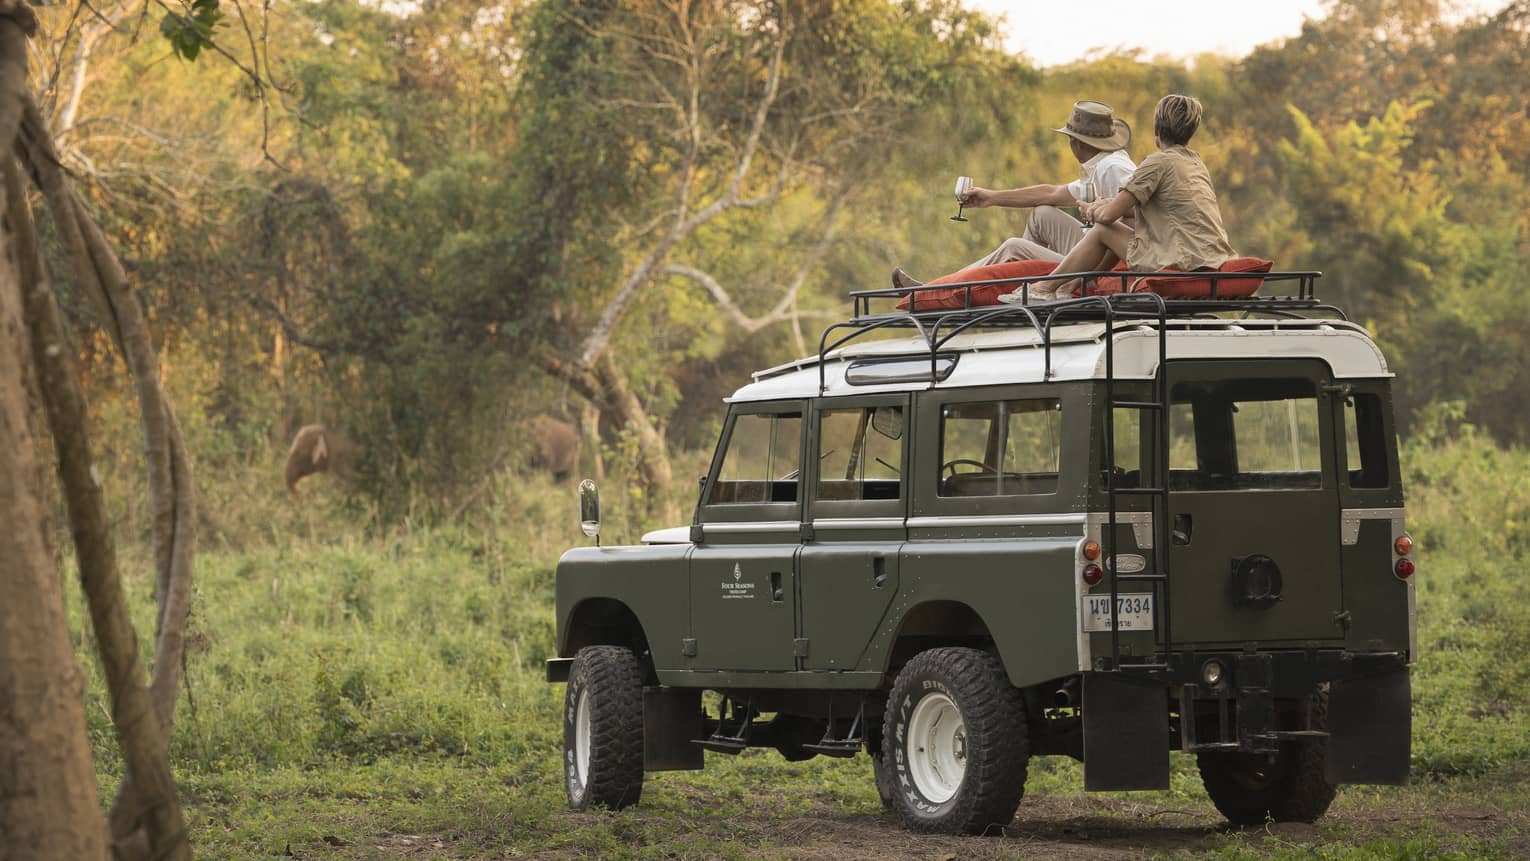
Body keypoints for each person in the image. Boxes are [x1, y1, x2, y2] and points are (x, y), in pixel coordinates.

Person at [1000, 93, 1235, 303]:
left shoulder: (1157, 162)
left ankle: (1044, 287)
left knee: (1103, 229)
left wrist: (1092, 209)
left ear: (1156, 130)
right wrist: (1108, 206)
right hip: (1208, 254)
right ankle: (1068, 284)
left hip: (1180, 259)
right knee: (1109, 226)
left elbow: (1109, 215)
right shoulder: (1195, 163)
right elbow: (1154, 209)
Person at [892, 100, 1135, 289]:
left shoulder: (1112, 168)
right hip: (1097, 250)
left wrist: (1090, 273)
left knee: (1013, 247)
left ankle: (935, 289)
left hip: (1106, 265)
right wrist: (991, 198)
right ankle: (1022, 283)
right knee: (1042, 214)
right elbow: (1050, 193)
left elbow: (1135, 216)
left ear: (1076, 143)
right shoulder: (1101, 165)